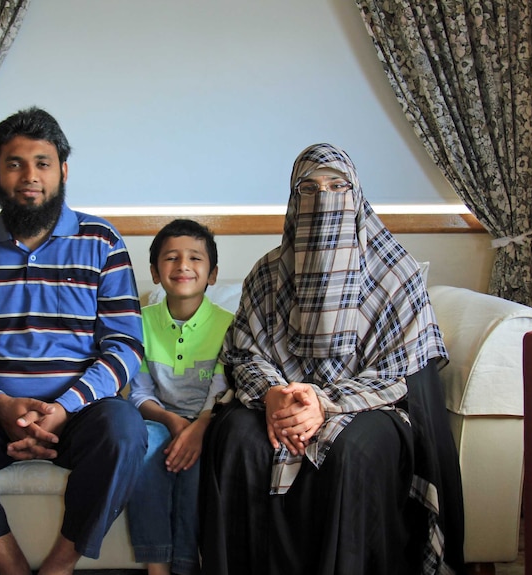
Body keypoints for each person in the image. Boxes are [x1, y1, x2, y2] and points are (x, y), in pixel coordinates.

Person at [199, 143, 464, 575]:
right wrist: (273, 396)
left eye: (337, 186)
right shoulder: (267, 273)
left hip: (369, 405)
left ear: (356, 195)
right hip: (279, 400)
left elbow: (402, 372)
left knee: (351, 452)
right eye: (308, 188)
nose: (323, 198)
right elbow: (245, 352)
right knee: (237, 442)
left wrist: (325, 403)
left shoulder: (398, 274)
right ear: (292, 201)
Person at [0, 106, 147, 575]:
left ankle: (60, 565)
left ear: (63, 170)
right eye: (14, 163)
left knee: (125, 431)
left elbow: (124, 346)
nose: (29, 176)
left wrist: (63, 409)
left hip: (79, 414)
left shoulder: (102, 241)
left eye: (42, 162)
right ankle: (13, 566)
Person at [126, 219, 234, 575]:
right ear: (156, 273)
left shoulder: (230, 325)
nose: (183, 266)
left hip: (210, 421)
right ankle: (156, 565)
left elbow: (222, 391)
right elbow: (139, 392)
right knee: (146, 449)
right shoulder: (138, 323)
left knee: (196, 464)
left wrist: (197, 429)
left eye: (195, 258)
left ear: (213, 274)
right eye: (171, 258)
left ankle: (186, 565)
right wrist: (172, 422)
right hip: (158, 418)